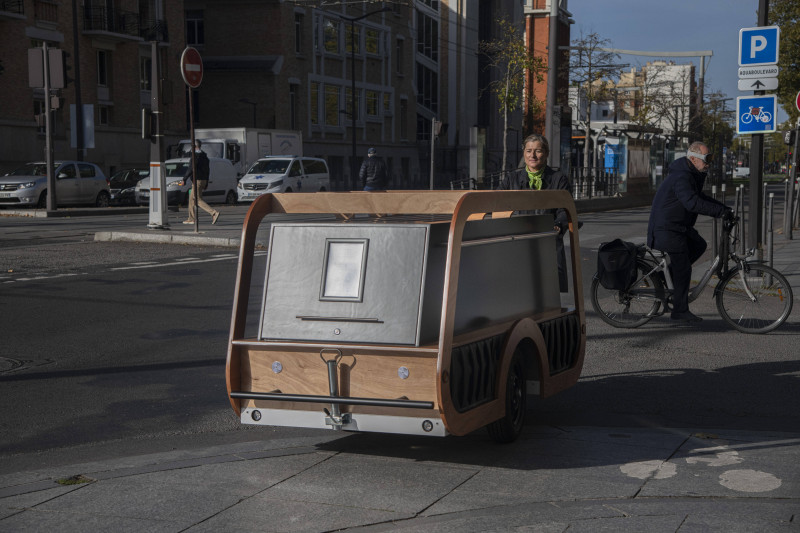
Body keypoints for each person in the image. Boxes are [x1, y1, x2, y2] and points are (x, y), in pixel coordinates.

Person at [647, 141, 732, 325]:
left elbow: (700, 198)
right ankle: (679, 310)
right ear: (693, 159)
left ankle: (664, 277)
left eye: (711, 158)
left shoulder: (690, 174)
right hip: (666, 229)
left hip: (678, 227)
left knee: (699, 245)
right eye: (707, 159)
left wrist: (724, 209)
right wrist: (719, 212)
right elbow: (692, 202)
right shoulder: (682, 176)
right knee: (683, 267)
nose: (709, 163)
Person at [498, 133, 571, 292]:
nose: (533, 155)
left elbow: (565, 210)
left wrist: (558, 225)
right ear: (523, 153)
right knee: (516, 287)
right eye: (529, 150)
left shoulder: (559, 179)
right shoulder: (511, 179)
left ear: (546, 153)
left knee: (547, 289)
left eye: (538, 151)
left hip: (547, 239)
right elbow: (496, 205)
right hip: (517, 240)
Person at [183, 140, 220, 225]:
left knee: (197, 199)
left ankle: (213, 213)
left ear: (194, 147)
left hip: (197, 180)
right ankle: (191, 218)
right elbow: (208, 170)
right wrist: (206, 182)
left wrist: (184, 179)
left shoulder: (195, 156)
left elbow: (191, 168)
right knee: (192, 199)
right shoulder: (205, 156)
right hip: (203, 180)